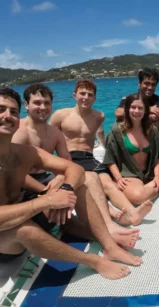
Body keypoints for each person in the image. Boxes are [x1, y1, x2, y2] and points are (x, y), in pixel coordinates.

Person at [0, 88, 142, 279]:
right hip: (5, 240)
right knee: (24, 229)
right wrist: (47, 200)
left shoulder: (24, 152)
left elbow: (74, 169)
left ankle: (109, 245)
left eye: (13, 111)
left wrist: (64, 189)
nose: (7, 116)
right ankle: (93, 261)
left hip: (27, 209)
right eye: (1, 109)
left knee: (79, 185)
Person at [50, 80, 141, 246]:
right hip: (69, 158)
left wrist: (105, 148)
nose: (86, 97)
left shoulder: (99, 116)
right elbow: (49, 138)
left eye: (90, 94)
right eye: (82, 93)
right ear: (74, 95)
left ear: (95, 98)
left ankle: (133, 213)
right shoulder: (60, 115)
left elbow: (100, 133)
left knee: (108, 183)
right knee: (91, 182)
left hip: (89, 157)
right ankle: (111, 217)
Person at [104, 94, 159, 205]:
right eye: (133, 107)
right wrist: (118, 178)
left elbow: (156, 158)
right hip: (129, 175)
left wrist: (158, 177)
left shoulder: (152, 130)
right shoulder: (117, 131)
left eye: (140, 108)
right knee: (138, 197)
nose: (136, 111)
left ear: (145, 111)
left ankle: (148, 187)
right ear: (127, 109)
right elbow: (110, 159)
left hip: (149, 174)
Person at [12, 84, 70, 196]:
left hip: (46, 179)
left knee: (85, 181)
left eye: (47, 103)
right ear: (26, 105)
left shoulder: (55, 133)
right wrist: (45, 191)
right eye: (37, 103)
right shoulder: (17, 130)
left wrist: (60, 177)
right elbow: (13, 172)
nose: (43, 107)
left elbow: (67, 162)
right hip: (19, 184)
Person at [114, 68, 159, 149]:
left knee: (154, 124)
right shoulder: (130, 98)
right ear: (139, 83)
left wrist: (132, 113)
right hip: (133, 135)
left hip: (153, 140)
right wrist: (148, 109)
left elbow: (154, 117)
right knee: (118, 123)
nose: (149, 87)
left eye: (153, 85)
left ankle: (153, 155)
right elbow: (118, 113)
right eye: (146, 83)